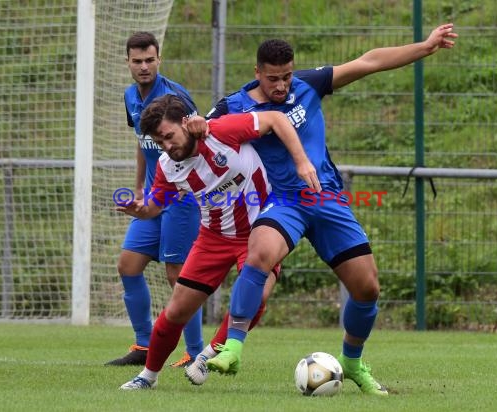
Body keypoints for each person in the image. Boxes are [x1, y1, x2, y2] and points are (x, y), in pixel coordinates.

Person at [203, 23, 458, 395]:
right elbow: (197, 137)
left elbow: (368, 62)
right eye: (273, 78)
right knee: (259, 254)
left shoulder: (308, 85)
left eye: (286, 76)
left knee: (367, 288)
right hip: (283, 201)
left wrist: (425, 46)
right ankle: (233, 348)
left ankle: (352, 362)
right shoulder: (233, 106)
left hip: (326, 199)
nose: (281, 85)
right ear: (257, 73)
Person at [117, 94, 320, 390]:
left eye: (169, 136)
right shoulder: (167, 166)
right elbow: (155, 206)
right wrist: (141, 210)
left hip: (261, 230)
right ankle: (147, 376)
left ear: (186, 124)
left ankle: (208, 353)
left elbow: (276, 119)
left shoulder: (222, 131)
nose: (167, 146)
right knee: (176, 312)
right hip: (213, 238)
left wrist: (302, 162)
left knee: (259, 295)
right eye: (160, 142)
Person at [105, 32, 203, 367]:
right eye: (137, 61)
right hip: (153, 197)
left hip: (181, 199)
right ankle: (144, 345)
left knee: (178, 275)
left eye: (150, 60)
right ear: (128, 62)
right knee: (128, 266)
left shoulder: (176, 98)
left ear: (159, 59)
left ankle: (195, 352)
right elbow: (142, 142)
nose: (144, 67)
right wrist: (139, 188)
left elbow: (200, 143)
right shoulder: (130, 96)